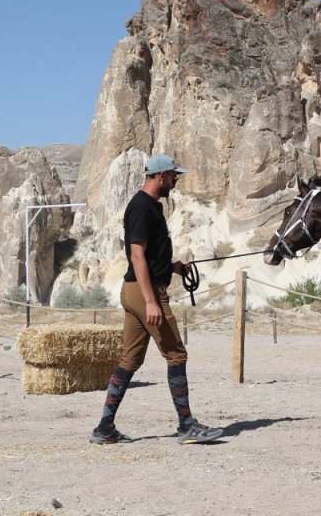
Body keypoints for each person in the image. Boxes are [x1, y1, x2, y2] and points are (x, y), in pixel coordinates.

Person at [90, 154, 224, 445]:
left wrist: (173, 267)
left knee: (130, 360)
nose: (176, 181)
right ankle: (186, 426)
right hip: (144, 291)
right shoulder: (141, 207)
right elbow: (137, 255)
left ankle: (104, 429)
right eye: (174, 176)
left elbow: (149, 257)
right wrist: (151, 301)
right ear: (161, 176)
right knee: (176, 355)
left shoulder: (152, 206)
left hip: (135, 289)